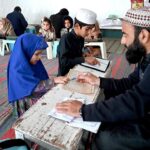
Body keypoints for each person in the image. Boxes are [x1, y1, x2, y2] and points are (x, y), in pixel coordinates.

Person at [56, 7, 150, 149]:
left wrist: (83, 111)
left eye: (125, 34)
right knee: (107, 106)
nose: (122, 41)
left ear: (143, 35)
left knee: (105, 138)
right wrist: (99, 81)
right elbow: (132, 82)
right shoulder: (146, 59)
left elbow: (136, 100)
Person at [7, 33, 68, 118]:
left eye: (40, 54)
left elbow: (41, 78)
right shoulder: (17, 68)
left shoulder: (30, 59)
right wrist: (53, 81)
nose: (39, 57)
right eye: (37, 54)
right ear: (27, 50)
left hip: (34, 92)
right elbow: (31, 88)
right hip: (25, 100)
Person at [57, 8, 100, 76]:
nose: (89, 32)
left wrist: (85, 55)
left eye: (90, 29)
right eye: (87, 29)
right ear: (77, 26)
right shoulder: (66, 38)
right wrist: (84, 59)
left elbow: (77, 55)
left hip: (77, 70)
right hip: (66, 74)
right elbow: (64, 62)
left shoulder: (81, 37)